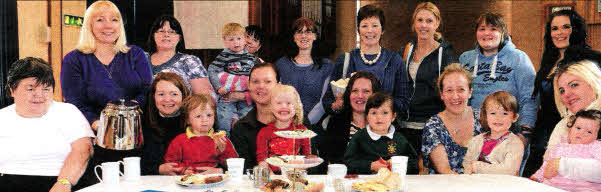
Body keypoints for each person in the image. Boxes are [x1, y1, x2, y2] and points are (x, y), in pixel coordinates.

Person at [60, 0, 151, 187]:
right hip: (97, 140)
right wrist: (101, 125)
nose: (108, 25)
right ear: (89, 25)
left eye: (114, 19)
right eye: (100, 20)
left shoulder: (136, 54)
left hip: (137, 135)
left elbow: (147, 90)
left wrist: (127, 116)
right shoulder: (74, 59)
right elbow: (74, 102)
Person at [0, 57, 94, 192]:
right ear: (12, 90)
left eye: (46, 89)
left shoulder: (68, 112)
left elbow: (83, 150)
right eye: (30, 89)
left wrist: (64, 183)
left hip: (58, 182)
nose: (39, 95)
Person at [526, 9, 601, 177]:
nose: (559, 33)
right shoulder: (548, 61)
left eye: (565, 27)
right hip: (546, 132)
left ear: (576, 29)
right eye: (554, 28)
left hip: (577, 129)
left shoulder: (592, 58)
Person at [398, 2, 458, 172]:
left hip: (431, 128)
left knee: (431, 179)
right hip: (405, 127)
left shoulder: (445, 54)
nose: (424, 25)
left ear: (437, 23)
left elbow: (453, 89)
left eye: (429, 21)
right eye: (420, 20)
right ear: (414, 23)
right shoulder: (406, 50)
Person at [459, 12, 537, 137]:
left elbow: (529, 98)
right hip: (469, 133)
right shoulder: (465, 58)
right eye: (482, 29)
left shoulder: (518, 58)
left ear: (503, 33)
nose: (486, 33)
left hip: (507, 133)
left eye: (493, 29)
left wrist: (525, 134)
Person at [323, 4, 409, 116]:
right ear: (358, 29)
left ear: (382, 30)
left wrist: (382, 107)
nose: (369, 31)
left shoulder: (394, 61)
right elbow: (327, 101)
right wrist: (337, 105)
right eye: (364, 26)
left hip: (382, 127)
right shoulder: (345, 60)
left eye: (375, 25)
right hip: (349, 128)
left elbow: (403, 102)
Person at [540, 60, 601, 183]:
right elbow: (547, 166)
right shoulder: (563, 124)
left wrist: (562, 165)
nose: (566, 94)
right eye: (561, 90)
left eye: (574, 85)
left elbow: (555, 165)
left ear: (593, 83)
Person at [422, 63, 485, 174]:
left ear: (470, 92)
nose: (455, 96)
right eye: (449, 90)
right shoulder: (433, 125)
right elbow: (445, 171)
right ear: (441, 94)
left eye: (461, 89)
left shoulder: (484, 119)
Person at [275, 17, 335, 126]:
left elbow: (324, 102)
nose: (303, 36)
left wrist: (304, 124)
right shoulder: (281, 64)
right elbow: (276, 97)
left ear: (315, 36)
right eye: (299, 32)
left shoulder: (327, 66)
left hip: (315, 126)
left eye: (308, 32)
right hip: (284, 124)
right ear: (294, 37)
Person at [344, 92, 418, 174]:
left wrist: (398, 165)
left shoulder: (400, 139)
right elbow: (348, 163)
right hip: (366, 183)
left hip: (393, 182)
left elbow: (414, 164)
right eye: (374, 113)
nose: (379, 117)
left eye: (385, 113)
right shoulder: (359, 137)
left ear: (393, 116)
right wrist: (370, 166)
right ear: (367, 116)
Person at [164, 94, 237, 175]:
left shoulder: (221, 140)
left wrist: (223, 151)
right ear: (188, 120)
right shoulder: (179, 140)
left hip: (214, 179)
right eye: (198, 116)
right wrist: (183, 170)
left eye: (209, 115)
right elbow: (170, 163)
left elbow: (234, 165)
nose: (205, 120)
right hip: (188, 180)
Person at [530, 110, 601, 191]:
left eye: (589, 132)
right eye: (578, 128)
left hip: (583, 188)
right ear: (570, 129)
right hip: (553, 187)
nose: (581, 133)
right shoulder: (559, 147)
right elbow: (546, 166)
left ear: (597, 137)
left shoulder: (596, 147)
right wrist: (536, 178)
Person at [208, 22, 258, 135]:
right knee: (223, 117)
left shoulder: (252, 58)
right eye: (231, 40)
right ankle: (224, 139)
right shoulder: (224, 55)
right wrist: (218, 87)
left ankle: (245, 139)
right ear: (225, 42)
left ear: (245, 39)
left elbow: (257, 76)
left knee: (248, 118)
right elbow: (211, 69)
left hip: (245, 95)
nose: (236, 42)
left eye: (239, 38)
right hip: (226, 92)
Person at [145, 15, 213, 95]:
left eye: (171, 32)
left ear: (179, 37)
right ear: (153, 35)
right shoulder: (140, 58)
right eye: (161, 31)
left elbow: (204, 96)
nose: (166, 35)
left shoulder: (189, 61)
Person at [323, 71, 381, 164]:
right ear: (349, 94)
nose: (360, 96)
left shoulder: (385, 124)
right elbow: (333, 161)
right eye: (355, 91)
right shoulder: (336, 124)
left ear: (375, 95)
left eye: (366, 91)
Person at [230, 62, 279, 170]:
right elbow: (244, 170)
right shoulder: (240, 128)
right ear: (249, 86)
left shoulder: (297, 121)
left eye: (268, 82)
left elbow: (311, 165)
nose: (261, 86)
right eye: (255, 81)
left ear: (278, 85)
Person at [463, 91, 524, 175]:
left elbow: (509, 170)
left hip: (501, 185)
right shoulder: (476, 140)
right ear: (485, 116)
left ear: (514, 117)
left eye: (504, 113)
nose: (498, 118)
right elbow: (467, 166)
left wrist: (477, 166)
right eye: (493, 113)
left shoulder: (515, 143)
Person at [141, 72, 189, 175]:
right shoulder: (142, 123)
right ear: (153, 97)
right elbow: (132, 162)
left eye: (174, 94)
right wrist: (158, 169)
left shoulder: (198, 121)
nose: (167, 99)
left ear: (183, 96)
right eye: (161, 94)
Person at [256, 84, 311, 172]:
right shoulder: (264, 132)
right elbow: (262, 160)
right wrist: (271, 177)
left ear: (296, 107)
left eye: (289, 103)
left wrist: (294, 173)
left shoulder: (302, 131)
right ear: (271, 107)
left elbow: (307, 158)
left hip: (295, 176)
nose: (284, 106)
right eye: (279, 103)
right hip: (272, 177)